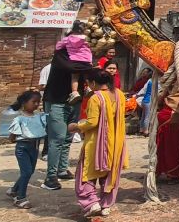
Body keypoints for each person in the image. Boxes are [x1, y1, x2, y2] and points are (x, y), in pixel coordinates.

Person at [67, 69, 128, 218]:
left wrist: (76, 126)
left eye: (88, 83)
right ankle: (106, 205)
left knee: (86, 173)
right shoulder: (120, 94)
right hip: (117, 142)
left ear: (93, 83)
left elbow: (92, 122)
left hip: (97, 143)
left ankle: (91, 202)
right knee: (110, 175)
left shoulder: (96, 98)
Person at [43, 25, 96, 191]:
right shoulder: (61, 53)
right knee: (57, 138)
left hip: (74, 100)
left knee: (68, 137)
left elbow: (87, 68)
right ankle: (50, 177)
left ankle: (62, 169)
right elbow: (72, 68)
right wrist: (87, 67)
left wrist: (87, 67)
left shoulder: (84, 53)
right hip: (57, 100)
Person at [6, 90, 46, 209]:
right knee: (27, 172)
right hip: (22, 148)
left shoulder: (39, 117)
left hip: (35, 148)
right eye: (33, 102)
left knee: (29, 171)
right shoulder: (19, 119)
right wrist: (15, 137)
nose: (36, 104)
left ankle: (13, 190)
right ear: (24, 102)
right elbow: (11, 136)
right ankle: (20, 197)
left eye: (38, 102)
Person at [55, 21, 93, 104]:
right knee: (86, 76)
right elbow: (90, 49)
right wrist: (90, 61)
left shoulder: (67, 39)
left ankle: (75, 92)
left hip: (75, 61)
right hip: (86, 61)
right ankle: (89, 88)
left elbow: (58, 47)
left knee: (75, 77)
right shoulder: (86, 39)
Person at [156, 101, 179, 183]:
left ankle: (174, 175)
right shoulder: (167, 91)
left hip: (175, 127)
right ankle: (162, 171)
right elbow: (158, 100)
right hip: (164, 127)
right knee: (161, 149)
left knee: (173, 150)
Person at [37, 62, 52, 161]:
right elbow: (41, 86)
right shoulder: (47, 69)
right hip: (50, 100)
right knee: (49, 126)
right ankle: (46, 151)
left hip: (64, 101)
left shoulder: (69, 67)